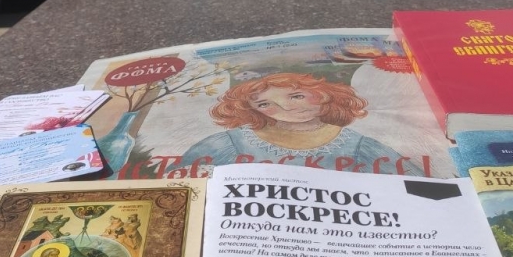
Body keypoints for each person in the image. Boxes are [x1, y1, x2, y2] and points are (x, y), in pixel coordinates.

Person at [175, 72, 422, 173]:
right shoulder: (225, 145)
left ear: (325, 93)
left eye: (296, 96)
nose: (286, 108)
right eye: (265, 104)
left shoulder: (361, 147)